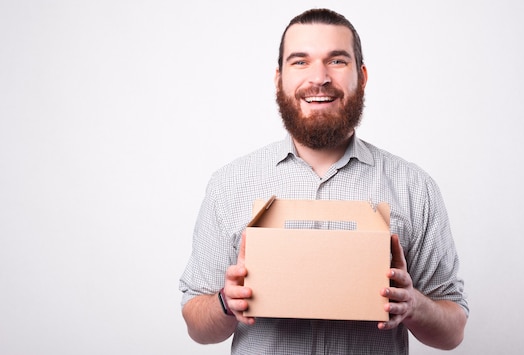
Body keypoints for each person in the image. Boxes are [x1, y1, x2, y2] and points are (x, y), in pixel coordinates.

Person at [179, 8, 468, 354]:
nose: (319, 78)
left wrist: (413, 305)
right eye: (300, 62)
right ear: (278, 78)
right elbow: (197, 324)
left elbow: (453, 332)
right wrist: (226, 302)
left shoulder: (413, 188)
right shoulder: (229, 184)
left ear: (361, 75)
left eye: (337, 61)